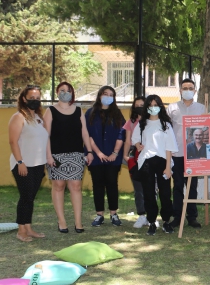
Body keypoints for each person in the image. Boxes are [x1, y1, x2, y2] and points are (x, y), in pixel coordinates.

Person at [44, 81, 93, 234]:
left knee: (76, 186)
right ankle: (62, 221)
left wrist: (89, 151)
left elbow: (85, 132)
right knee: (58, 186)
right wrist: (48, 156)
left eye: (68, 90)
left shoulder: (79, 111)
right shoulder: (50, 111)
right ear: (57, 92)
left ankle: (78, 222)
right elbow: (45, 136)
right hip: (56, 156)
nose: (65, 92)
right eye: (62, 90)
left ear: (72, 93)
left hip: (76, 154)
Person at [131, 95, 178, 236]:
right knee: (149, 194)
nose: (153, 108)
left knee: (165, 193)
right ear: (146, 107)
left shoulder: (166, 124)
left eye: (155, 104)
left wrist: (168, 166)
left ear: (160, 106)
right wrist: (138, 144)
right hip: (146, 162)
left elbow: (170, 146)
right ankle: (151, 222)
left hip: (163, 161)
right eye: (150, 105)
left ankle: (166, 221)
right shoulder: (142, 123)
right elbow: (135, 140)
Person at [8, 85, 49, 242]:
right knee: (25, 197)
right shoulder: (18, 117)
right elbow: (13, 141)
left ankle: (28, 228)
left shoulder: (38, 118)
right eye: (31, 98)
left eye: (37, 98)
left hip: (38, 165)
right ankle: (21, 231)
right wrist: (20, 162)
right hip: (23, 164)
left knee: (30, 197)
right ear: (24, 99)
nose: (35, 101)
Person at [167, 78, 206, 229]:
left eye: (190, 88)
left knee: (192, 187)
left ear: (195, 91)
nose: (187, 90)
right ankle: (177, 217)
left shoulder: (202, 108)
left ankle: (192, 217)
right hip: (177, 153)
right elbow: (167, 130)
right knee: (177, 186)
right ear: (180, 91)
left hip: (194, 154)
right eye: (185, 88)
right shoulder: (171, 108)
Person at [85, 86, 125, 227]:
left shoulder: (117, 114)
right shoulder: (90, 113)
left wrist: (115, 152)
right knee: (98, 185)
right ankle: (99, 215)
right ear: (100, 95)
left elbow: (122, 133)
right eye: (105, 94)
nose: (108, 96)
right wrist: (98, 153)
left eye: (111, 94)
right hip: (95, 157)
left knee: (112, 184)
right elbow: (87, 135)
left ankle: (114, 214)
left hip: (113, 157)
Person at [123, 97, 148, 228]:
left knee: (151, 188)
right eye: (137, 105)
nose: (139, 107)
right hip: (135, 158)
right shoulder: (131, 123)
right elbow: (128, 141)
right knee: (138, 188)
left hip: (150, 156)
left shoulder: (152, 121)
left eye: (142, 105)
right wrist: (125, 156)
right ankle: (141, 215)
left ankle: (151, 216)